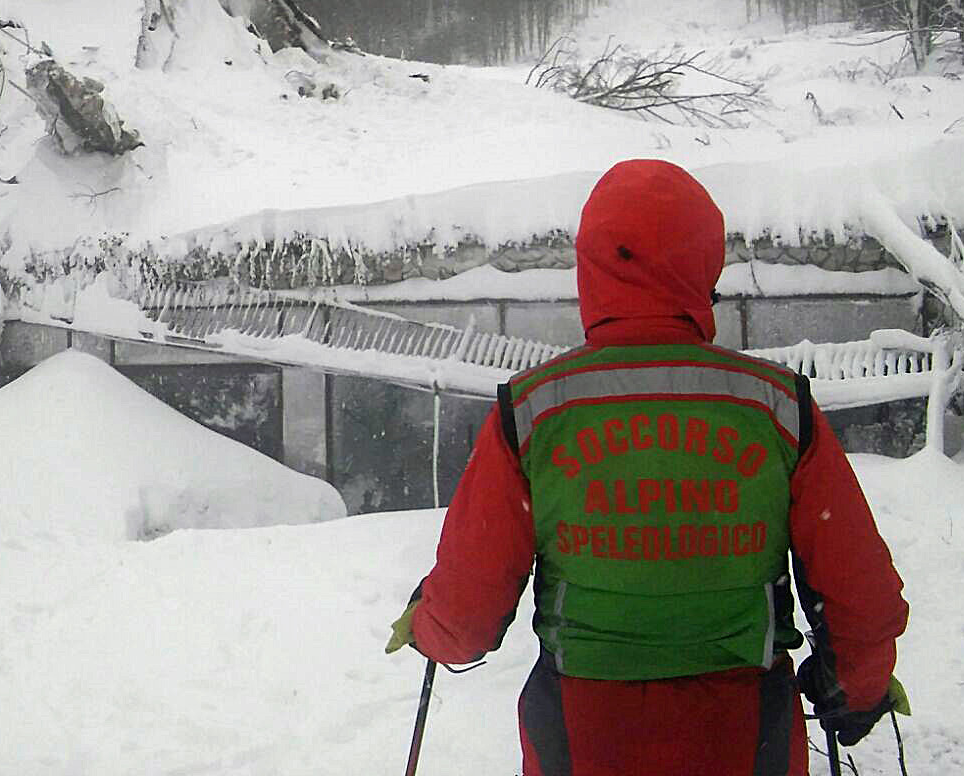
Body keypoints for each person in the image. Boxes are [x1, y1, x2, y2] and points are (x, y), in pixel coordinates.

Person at [386, 159, 909, 775]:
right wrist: (855, 689)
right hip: (745, 734)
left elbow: (468, 612)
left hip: (584, 735)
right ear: (702, 263)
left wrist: (431, 624)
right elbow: (859, 595)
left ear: (593, 267)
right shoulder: (775, 405)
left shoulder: (532, 410)